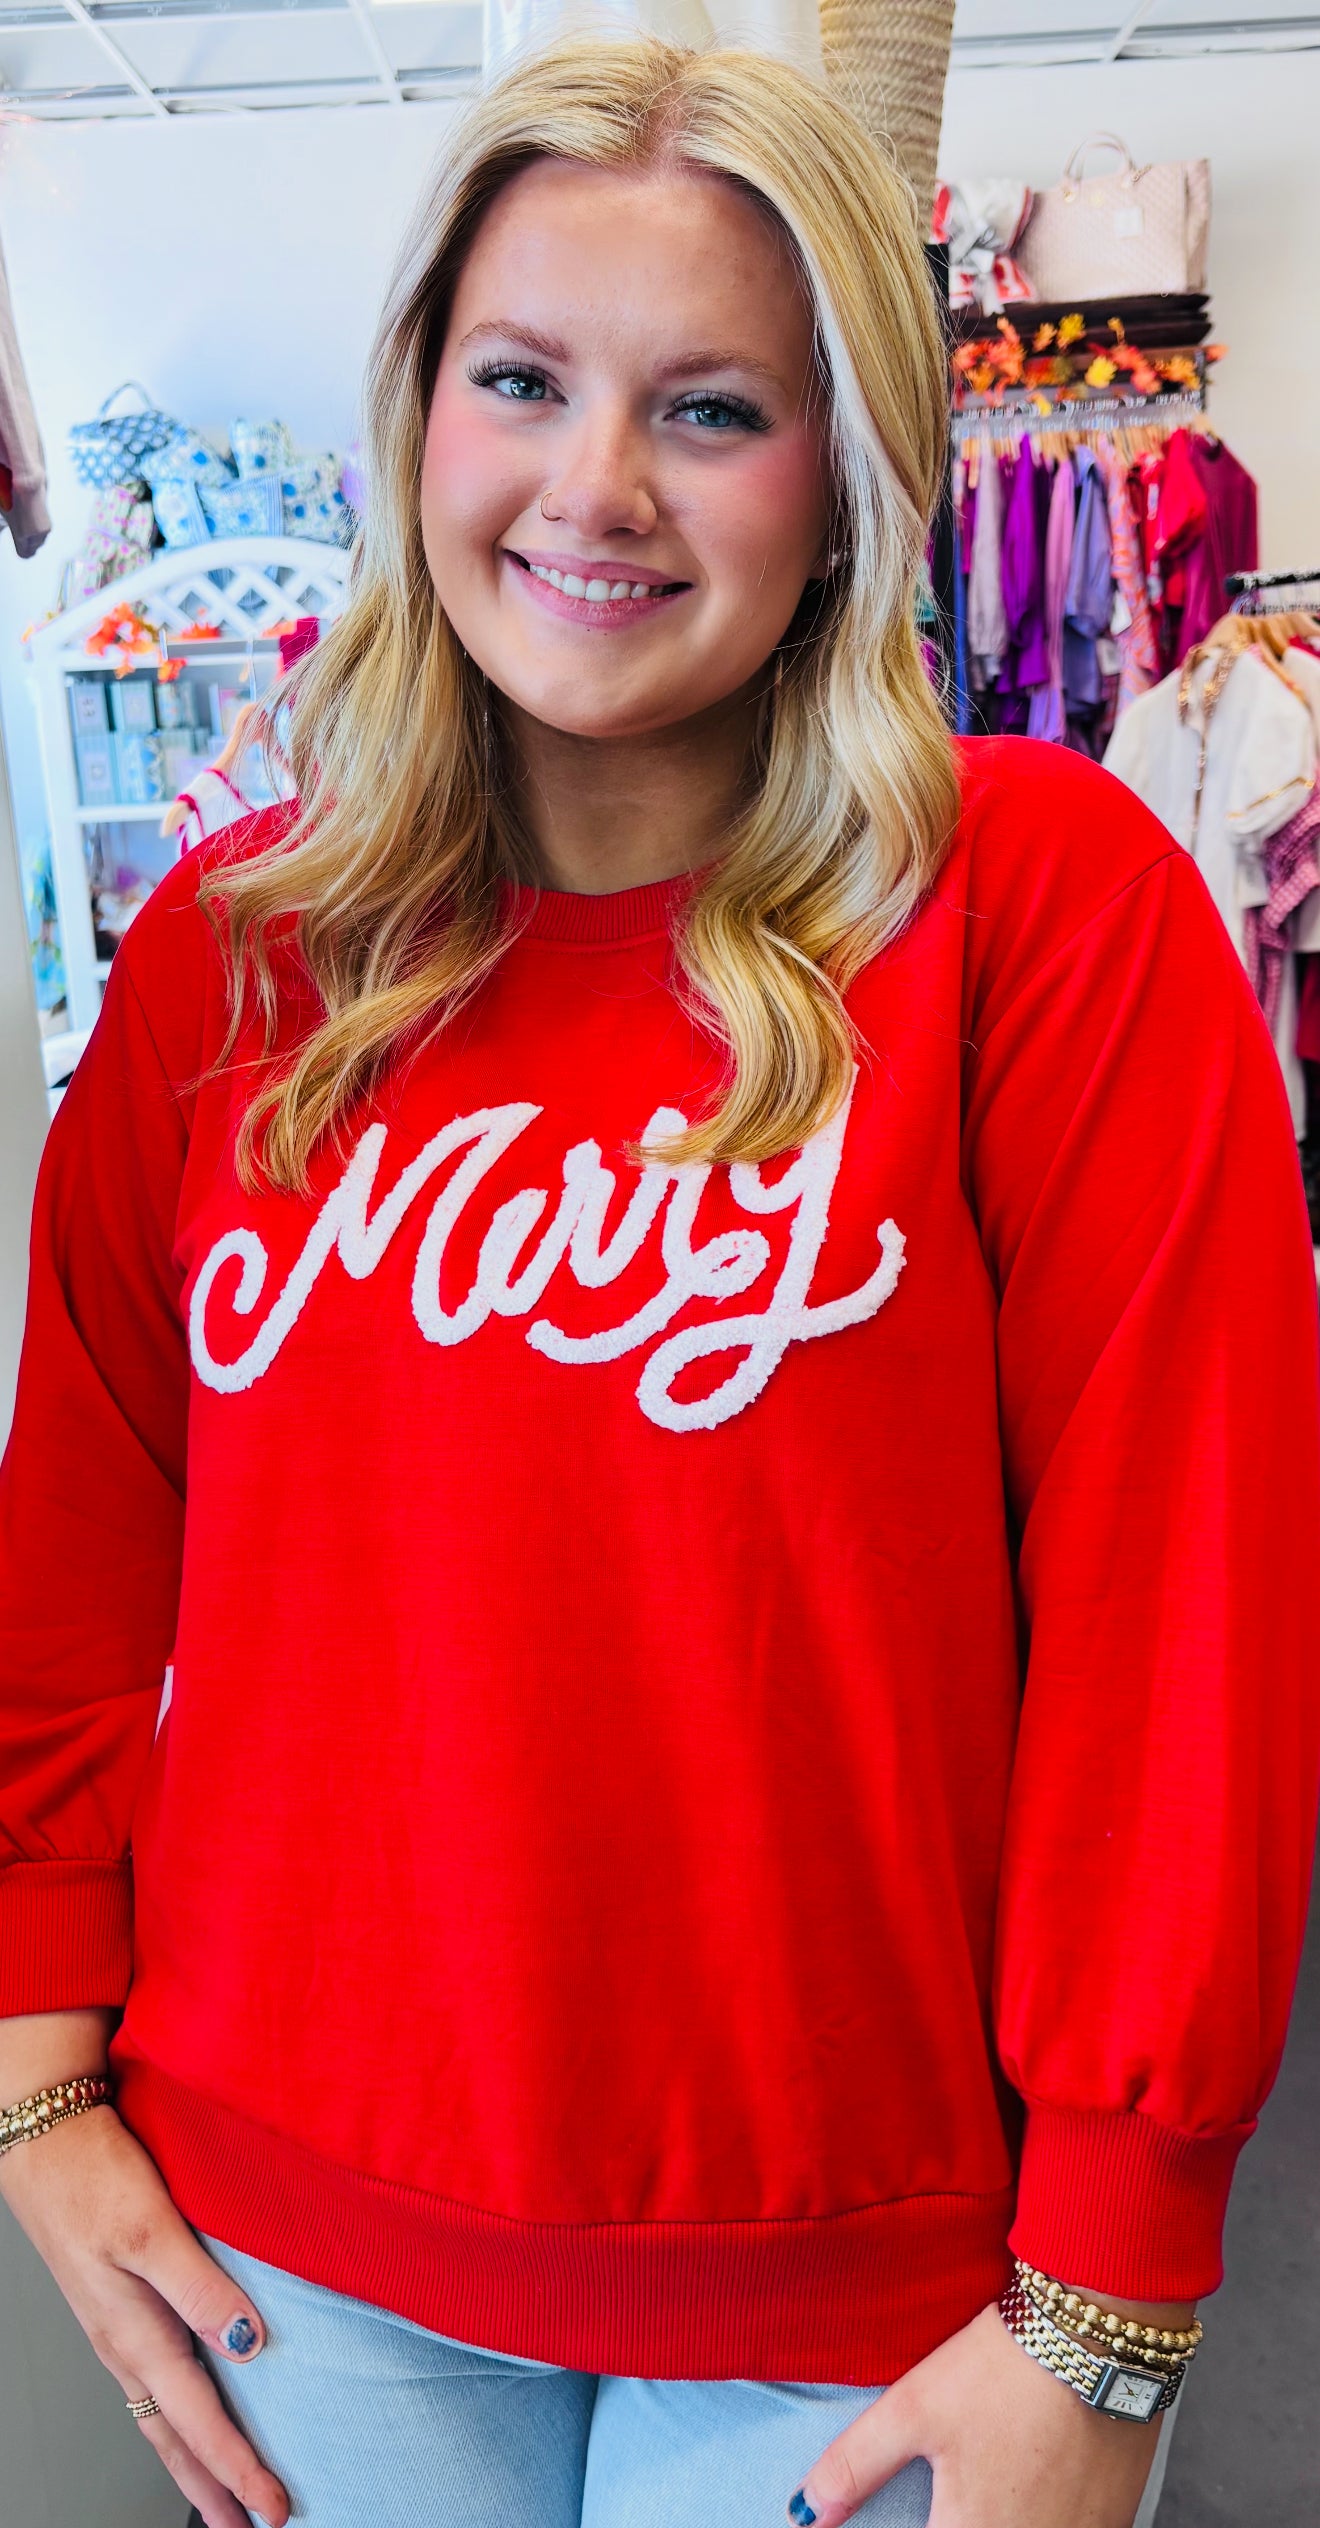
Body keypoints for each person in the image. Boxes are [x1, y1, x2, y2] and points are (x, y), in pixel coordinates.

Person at [1, 39, 1317, 2528]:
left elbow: (1184, 1622)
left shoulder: (1042, 917)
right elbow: (74, 1557)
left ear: (844, 480)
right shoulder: (227, 963)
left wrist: (1114, 2289)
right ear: (420, 411)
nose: (594, 486)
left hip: (875, 2278)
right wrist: (35, 2075)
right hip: (293, 2244)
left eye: (710, 408)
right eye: (522, 379)